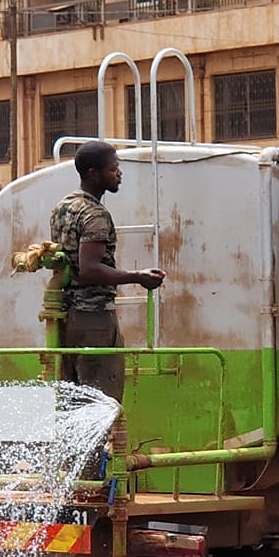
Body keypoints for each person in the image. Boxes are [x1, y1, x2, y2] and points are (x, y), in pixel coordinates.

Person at [50, 141, 165, 401]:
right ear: (93, 173)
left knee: (75, 400)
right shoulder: (95, 214)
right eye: (114, 169)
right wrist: (139, 277)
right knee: (101, 401)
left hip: (68, 317)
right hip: (95, 318)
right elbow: (89, 270)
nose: (119, 174)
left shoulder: (63, 207)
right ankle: (99, 444)